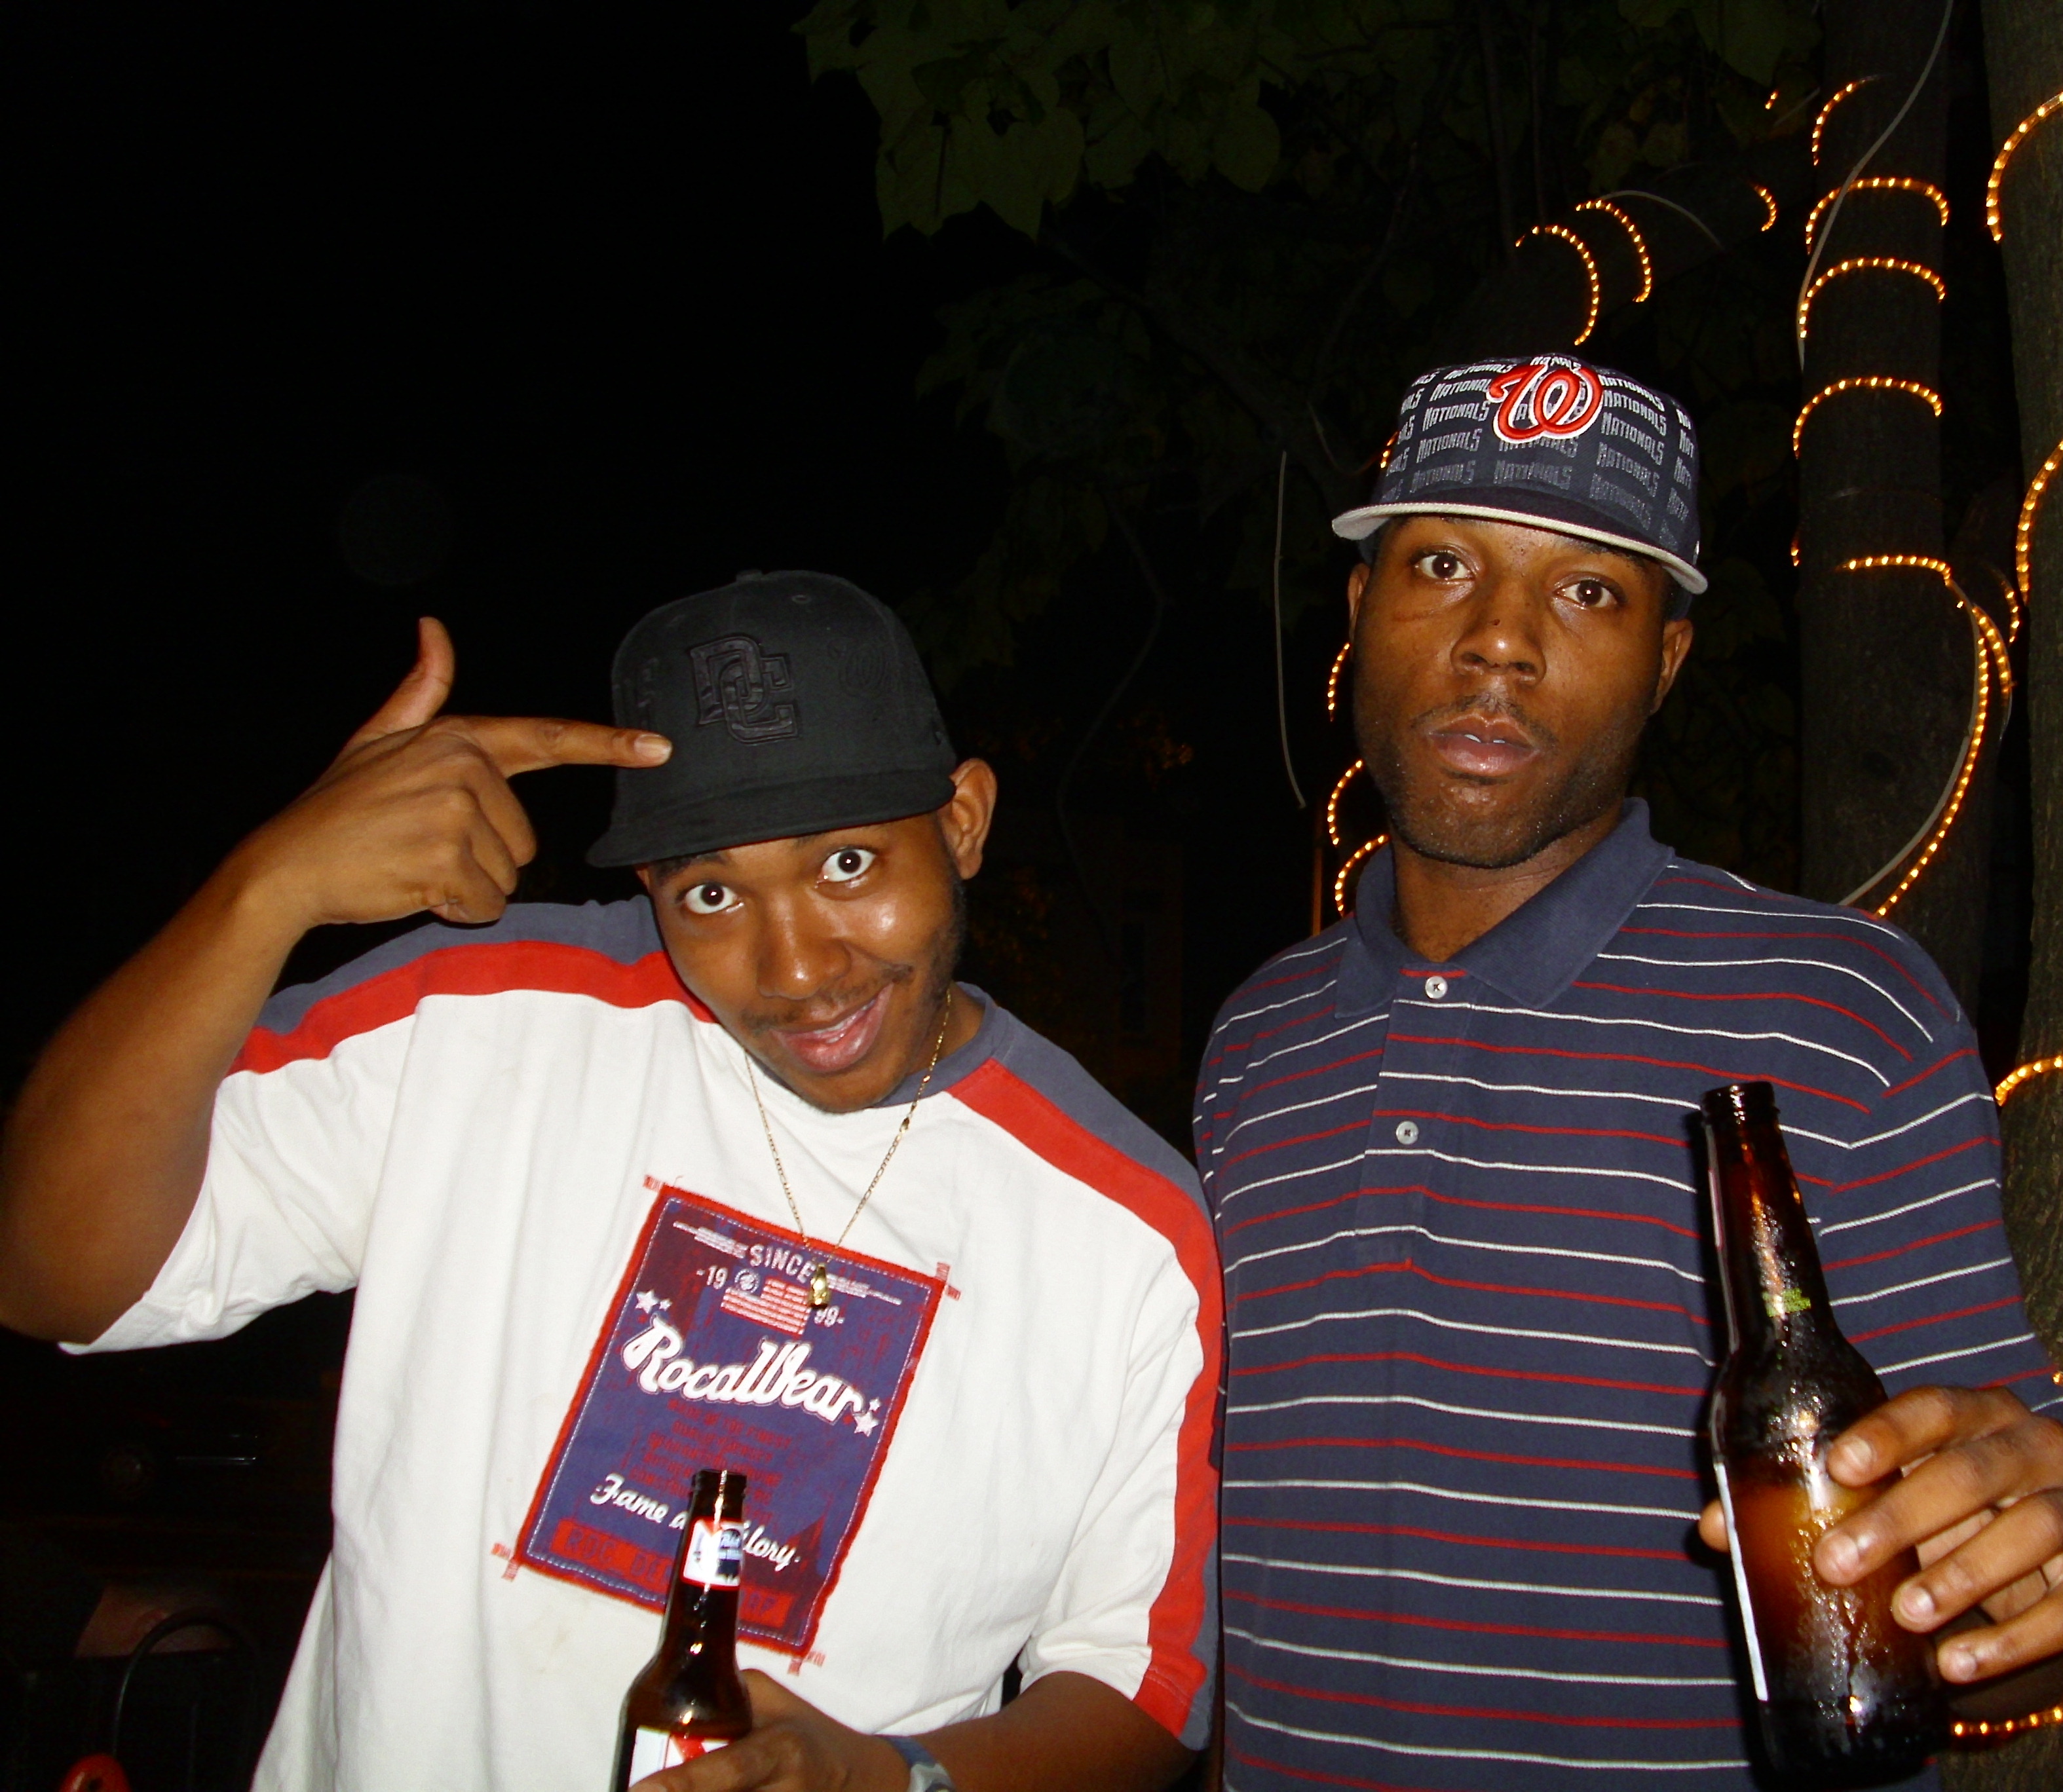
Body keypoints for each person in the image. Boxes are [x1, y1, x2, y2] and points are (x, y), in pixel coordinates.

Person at [0, 572, 1218, 1792]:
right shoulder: (476, 1019)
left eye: (848, 863)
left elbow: (1140, 1689)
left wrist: (889, 1779)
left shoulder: (1130, 1235)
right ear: (648, 888)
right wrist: (265, 888)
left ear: (962, 822)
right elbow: (49, 1275)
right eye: (711, 892)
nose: (796, 969)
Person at [1194, 354, 2063, 1789]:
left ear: (1669, 663)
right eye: (1442, 565)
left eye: (1589, 591)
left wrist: (2036, 1564)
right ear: (1360, 608)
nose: (1499, 640)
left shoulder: (1845, 1013)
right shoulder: (1255, 1045)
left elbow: (1994, 1565)